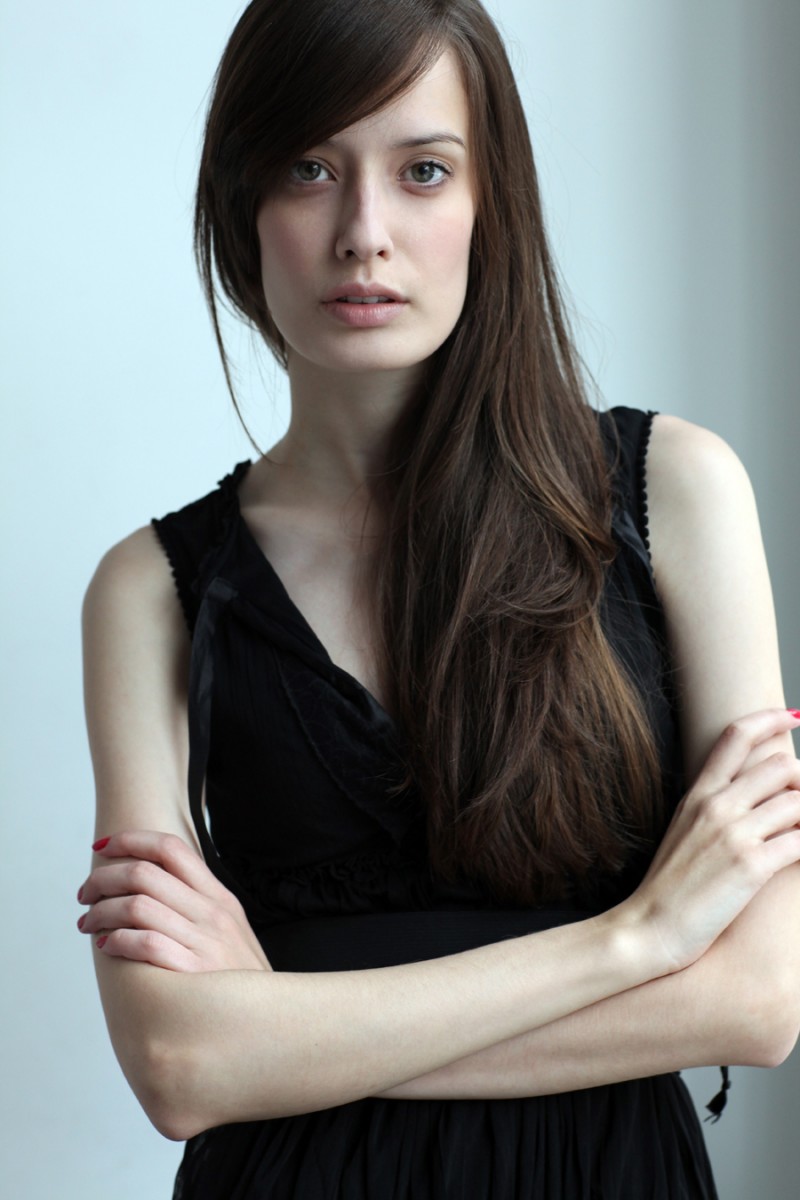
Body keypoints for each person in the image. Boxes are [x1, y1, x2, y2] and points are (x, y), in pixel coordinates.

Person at [77, 1, 800, 1196]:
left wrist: (280, 1030)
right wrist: (636, 941)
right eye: (310, 169)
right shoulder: (149, 591)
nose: (363, 235)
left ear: (488, 201)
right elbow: (179, 1066)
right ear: (239, 203)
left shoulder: (676, 489)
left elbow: (756, 1001)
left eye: (422, 171)